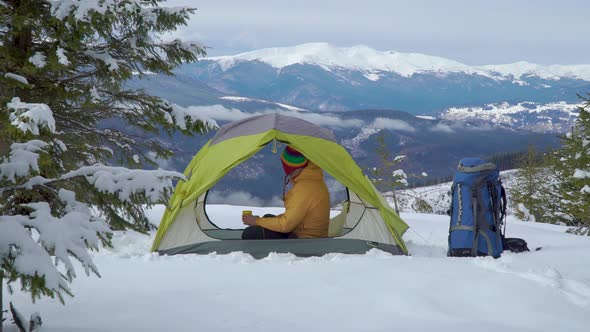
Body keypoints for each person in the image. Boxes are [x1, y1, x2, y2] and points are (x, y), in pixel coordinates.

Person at [241, 145, 330, 239]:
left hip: (306, 239)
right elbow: (292, 217)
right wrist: (260, 220)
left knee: (251, 233)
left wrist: (256, 221)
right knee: (267, 217)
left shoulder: (303, 189)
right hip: (305, 232)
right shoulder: (311, 180)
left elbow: (286, 225)